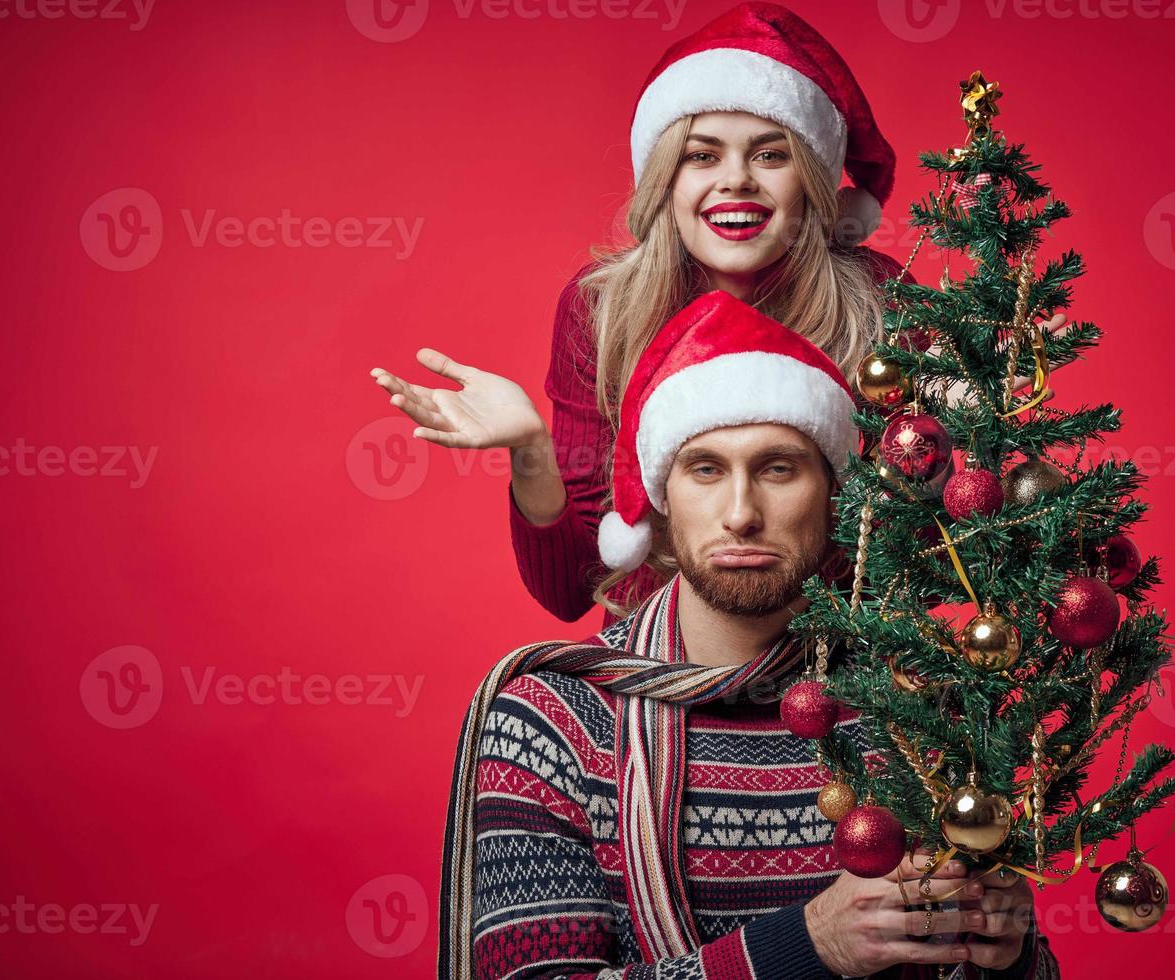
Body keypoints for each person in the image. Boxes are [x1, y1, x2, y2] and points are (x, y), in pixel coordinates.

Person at [438, 291, 1059, 980]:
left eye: (777, 468)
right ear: (663, 497)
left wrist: (1010, 951)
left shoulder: (912, 705)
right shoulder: (553, 719)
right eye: (706, 469)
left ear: (832, 494)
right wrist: (811, 944)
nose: (740, 514)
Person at [371, 2, 917, 625]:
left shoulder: (879, 303)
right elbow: (571, 591)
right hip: (651, 677)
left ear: (815, 179)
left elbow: (918, 560)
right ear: (664, 178)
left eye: (771, 155)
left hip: (835, 675)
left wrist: (978, 416)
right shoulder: (602, 308)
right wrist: (530, 451)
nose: (735, 181)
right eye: (702, 155)